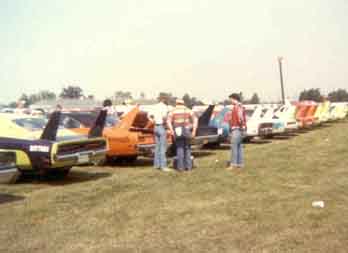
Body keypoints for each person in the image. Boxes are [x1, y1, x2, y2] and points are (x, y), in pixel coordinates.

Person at [167, 99, 198, 172]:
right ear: (183, 103)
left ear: (177, 103)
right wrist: (194, 130)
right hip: (187, 130)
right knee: (187, 148)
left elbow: (168, 121)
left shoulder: (173, 111)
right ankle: (189, 167)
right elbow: (195, 119)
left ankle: (180, 167)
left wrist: (171, 130)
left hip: (177, 131)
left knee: (179, 148)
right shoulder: (188, 110)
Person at [148, 96, 171, 171]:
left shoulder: (154, 106)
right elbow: (164, 117)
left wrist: (152, 120)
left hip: (155, 127)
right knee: (163, 147)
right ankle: (163, 166)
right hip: (161, 126)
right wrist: (167, 127)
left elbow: (148, 116)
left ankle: (156, 165)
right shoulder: (165, 107)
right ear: (164, 100)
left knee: (157, 147)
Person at [228, 93, 247, 170]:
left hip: (237, 129)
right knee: (239, 147)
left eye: (230, 99)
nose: (230, 101)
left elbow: (240, 118)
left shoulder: (237, 107)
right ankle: (240, 164)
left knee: (234, 147)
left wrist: (241, 127)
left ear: (234, 98)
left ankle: (233, 164)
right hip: (240, 129)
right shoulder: (241, 106)